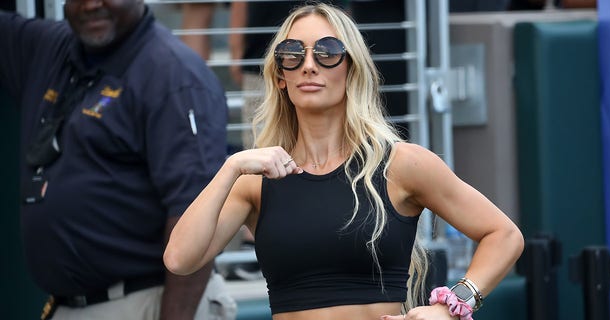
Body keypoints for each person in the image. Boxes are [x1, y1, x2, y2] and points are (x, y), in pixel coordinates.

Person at [165, 3, 524, 320]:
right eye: (292, 54)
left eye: (328, 51)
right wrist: (231, 167)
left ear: (352, 69)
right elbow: (180, 259)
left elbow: (504, 235)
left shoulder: (401, 164)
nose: (309, 65)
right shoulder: (257, 179)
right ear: (280, 77)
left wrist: (450, 307)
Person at [0, 1, 233, 319]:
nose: (92, 4)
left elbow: (196, 215)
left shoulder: (173, 74)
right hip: (70, 305)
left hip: (149, 301)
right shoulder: (49, 48)